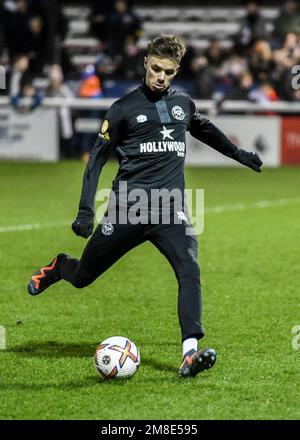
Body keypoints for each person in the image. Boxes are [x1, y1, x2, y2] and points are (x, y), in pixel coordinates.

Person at [27, 35, 263, 378]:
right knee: (82, 277)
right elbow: (96, 160)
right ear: (145, 63)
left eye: (168, 71)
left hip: (171, 210)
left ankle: (189, 353)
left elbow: (207, 131)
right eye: (155, 69)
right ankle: (59, 266)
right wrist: (85, 211)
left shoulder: (184, 103)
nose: (161, 77)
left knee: (189, 268)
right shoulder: (123, 109)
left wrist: (240, 155)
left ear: (176, 69)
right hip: (128, 208)